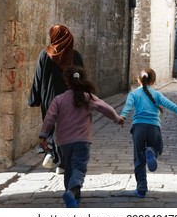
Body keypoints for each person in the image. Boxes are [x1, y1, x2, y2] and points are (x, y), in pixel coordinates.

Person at [37, 66, 124, 207]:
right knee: (79, 168)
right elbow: (105, 108)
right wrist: (117, 118)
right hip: (82, 141)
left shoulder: (59, 99)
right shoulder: (87, 97)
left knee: (69, 170)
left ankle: (72, 198)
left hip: (63, 143)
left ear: (67, 82)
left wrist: (43, 135)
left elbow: (49, 118)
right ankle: (72, 192)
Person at [119, 68, 177, 198]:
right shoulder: (157, 94)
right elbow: (169, 104)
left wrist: (122, 117)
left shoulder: (133, 94)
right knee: (158, 148)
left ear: (139, 80)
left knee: (139, 160)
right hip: (153, 128)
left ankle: (141, 188)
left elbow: (127, 107)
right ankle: (152, 151)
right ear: (154, 81)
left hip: (138, 128)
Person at [28, 24, 84, 174]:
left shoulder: (44, 55)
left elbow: (38, 78)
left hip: (49, 98)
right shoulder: (75, 56)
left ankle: (51, 153)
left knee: (51, 127)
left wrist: (35, 98)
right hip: (69, 98)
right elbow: (81, 79)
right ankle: (63, 164)